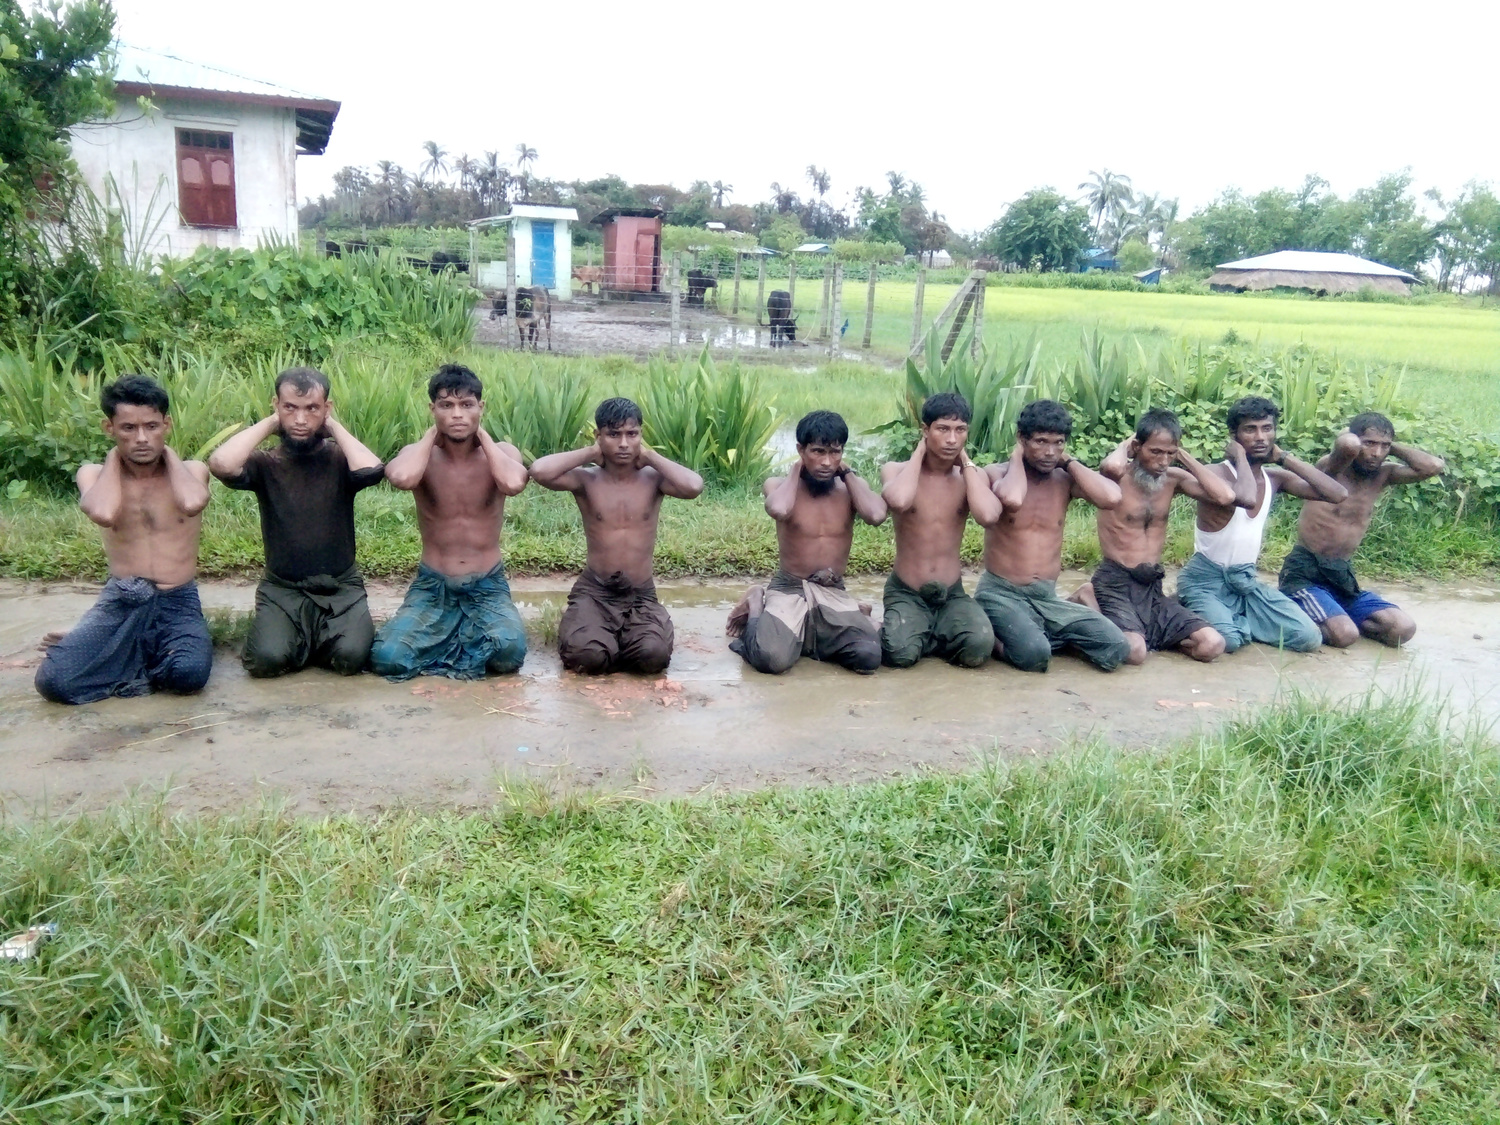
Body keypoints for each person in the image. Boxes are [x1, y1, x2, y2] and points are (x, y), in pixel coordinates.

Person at [35, 375, 214, 704]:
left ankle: (114, 648)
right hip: (123, 597)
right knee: (54, 681)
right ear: (110, 428)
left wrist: (167, 453)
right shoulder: (92, 474)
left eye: (152, 426)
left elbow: (191, 503)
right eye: (128, 429)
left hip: (179, 600)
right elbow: (103, 512)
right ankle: (103, 640)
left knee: (188, 674)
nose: (142, 438)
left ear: (167, 424)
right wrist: (115, 458)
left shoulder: (192, 469)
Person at [207, 366, 384, 677]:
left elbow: (372, 470)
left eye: (312, 409)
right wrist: (272, 422)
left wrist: (334, 428)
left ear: (327, 409)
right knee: (266, 661)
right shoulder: (265, 463)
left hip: (340, 587)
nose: (301, 420)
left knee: (352, 657)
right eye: (290, 407)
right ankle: (295, 638)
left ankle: (316, 640)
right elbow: (221, 464)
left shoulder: (340, 460)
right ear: (276, 405)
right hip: (282, 588)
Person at [369, 365, 531, 680]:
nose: (457, 414)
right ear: (433, 409)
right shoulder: (418, 455)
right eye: (446, 406)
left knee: (509, 651)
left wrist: (480, 433)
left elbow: (513, 484)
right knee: (388, 657)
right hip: (433, 586)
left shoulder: (502, 453)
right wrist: (433, 433)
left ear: (481, 407)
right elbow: (402, 478)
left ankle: (455, 641)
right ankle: (460, 642)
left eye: (467, 405)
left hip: (487, 585)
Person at [530, 397, 704, 675]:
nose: (623, 444)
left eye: (631, 434)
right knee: (589, 657)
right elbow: (539, 471)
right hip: (596, 591)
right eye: (613, 435)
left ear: (641, 436)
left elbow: (694, 486)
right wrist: (589, 452)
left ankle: (626, 636)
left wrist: (650, 456)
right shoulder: (586, 480)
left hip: (641, 593)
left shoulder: (653, 479)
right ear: (599, 436)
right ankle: (593, 631)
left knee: (652, 656)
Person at [1174, 396, 1346, 653]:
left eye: (1267, 428)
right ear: (1234, 435)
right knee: (1227, 642)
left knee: (1308, 636)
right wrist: (1241, 458)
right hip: (1205, 580)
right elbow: (1244, 497)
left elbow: (1337, 494)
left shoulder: (1275, 478)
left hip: (1246, 581)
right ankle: (1183, 609)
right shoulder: (1216, 474)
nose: (1260, 437)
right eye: (1250, 429)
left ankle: (1230, 619)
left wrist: (1284, 458)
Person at [974, 399, 1132, 673]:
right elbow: (1012, 498)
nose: (1050, 452)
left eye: (1058, 443)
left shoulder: (1064, 479)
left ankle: (1043, 632)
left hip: (1047, 597)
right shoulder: (996, 474)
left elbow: (1111, 497)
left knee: (1115, 646)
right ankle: (998, 635)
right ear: (1021, 439)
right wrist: (1015, 459)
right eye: (1041, 442)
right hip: (1001, 594)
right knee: (1035, 655)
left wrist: (1068, 461)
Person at [730, 410, 888, 675]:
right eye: (817, 452)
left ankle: (825, 626)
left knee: (869, 656)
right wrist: (796, 469)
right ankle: (757, 602)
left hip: (832, 588)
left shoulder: (850, 487)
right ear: (800, 449)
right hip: (789, 588)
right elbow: (778, 510)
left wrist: (847, 472)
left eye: (835, 452)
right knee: (771, 659)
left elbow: (876, 515)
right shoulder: (779, 485)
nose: (827, 462)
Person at [1072, 409, 1232, 664]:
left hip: (1152, 587)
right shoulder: (1116, 478)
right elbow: (1111, 465)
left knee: (1212, 644)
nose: (1163, 461)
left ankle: (1147, 632)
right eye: (1155, 452)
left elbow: (1224, 496)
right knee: (1135, 653)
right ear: (1137, 447)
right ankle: (1087, 596)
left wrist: (1183, 456)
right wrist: (1127, 443)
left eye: (1170, 454)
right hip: (1115, 584)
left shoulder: (1173, 480)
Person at [1279, 412, 1444, 648]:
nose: (1376, 453)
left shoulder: (1384, 474)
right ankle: (1290, 609)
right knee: (1344, 635)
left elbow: (1433, 466)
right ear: (1356, 441)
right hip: (1305, 571)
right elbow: (1346, 446)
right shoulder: (1330, 468)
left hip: (1342, 573)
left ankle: (1333, 615)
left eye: (1383, 446)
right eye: (1369, 444)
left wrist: (1389, 444)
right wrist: (1354, 438)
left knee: (1402, 629)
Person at [878, 392, 1002, 668]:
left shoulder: (972, 477)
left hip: (951, 593)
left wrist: (966, 462)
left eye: (960, 431)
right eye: (942, 429)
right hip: (907, 591)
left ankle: (930, 633)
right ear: (925, 430)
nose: (951, 439)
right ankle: (915, 633)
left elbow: (988, 516)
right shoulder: (896, 470)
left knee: (978, 647)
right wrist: (919, 453)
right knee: (899, 655)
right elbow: (898, 501)